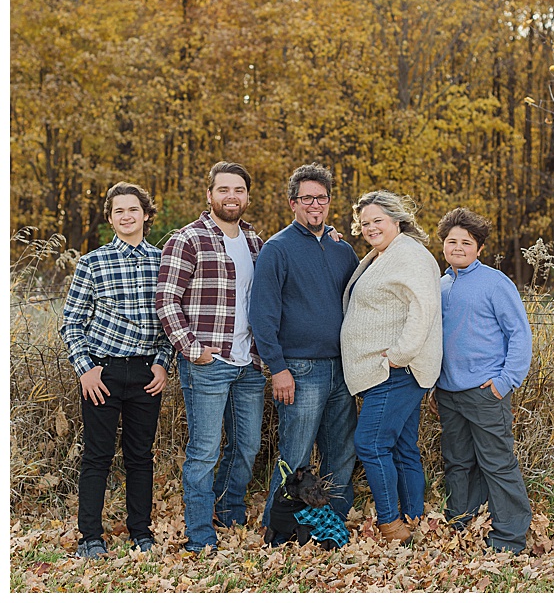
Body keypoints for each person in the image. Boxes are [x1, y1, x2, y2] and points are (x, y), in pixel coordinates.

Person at [155, 162, 266, 553]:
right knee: (205, 450)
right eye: (224, 190)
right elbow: (166, 300)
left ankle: (229, 509)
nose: (232, 197)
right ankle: (200, 534)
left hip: (249, 362)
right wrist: (192, 349)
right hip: (208, 362)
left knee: (247, 445)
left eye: (239, 190)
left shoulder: (256, 241)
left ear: (247, 196)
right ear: (210, 195)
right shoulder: (188, 239)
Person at [59, 182, 173, 559]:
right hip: (101, 374)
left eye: (133, 210)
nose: (127, 216)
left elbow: (170, 321)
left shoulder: (163, 262)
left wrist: (162, 362)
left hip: (145, 374)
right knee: (97, 455)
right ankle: (90, 537)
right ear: (110, 218)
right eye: (119, 211)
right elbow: (72, 322)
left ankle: (141, 531)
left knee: (140, 456)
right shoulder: (93, 262)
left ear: (145, 214)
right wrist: (85, 369)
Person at [249, 163, 360, 536]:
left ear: (329, 202)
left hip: (342, 368)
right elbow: (261, 315)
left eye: (322, 198)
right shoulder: (277, 249)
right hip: (300, 370)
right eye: (307, 198)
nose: (316, 204)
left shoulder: (342, 248)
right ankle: (278, 527)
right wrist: (278, 368)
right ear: (292, 203)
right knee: (294, 457)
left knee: (341, 453)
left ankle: (331, 523)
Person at [340, 191, 442, 543]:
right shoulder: (383, 254)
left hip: (396, 371)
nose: (370, 228)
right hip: (385, 370)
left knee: (369, 443)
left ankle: (391, 525)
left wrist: (399, 355)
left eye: (377, 221)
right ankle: (413, 517)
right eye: (364, 223)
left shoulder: (409, 255)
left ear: (396, 220)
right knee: (401, 446)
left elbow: (423, 310)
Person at [435, 208, 534, 554]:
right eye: (452, 241)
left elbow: (520, 334)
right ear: (443, 245)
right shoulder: (440, 284)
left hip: (485, 392)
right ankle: (461, 521)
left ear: (478, 247)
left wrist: (504, 381)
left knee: (497, 461)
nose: (458, 247)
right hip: (448, 392)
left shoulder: (495, 282)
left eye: (466, 242)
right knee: (458, 461)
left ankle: (509, 536)